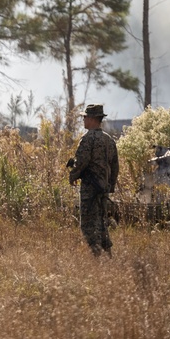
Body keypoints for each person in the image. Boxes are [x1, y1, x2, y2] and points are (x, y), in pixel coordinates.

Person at [68, 103, 120, 257]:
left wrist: (73, 175)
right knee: (102, 222)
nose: (83, 120)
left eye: (85, 117)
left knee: (88, 225)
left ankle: (96, 256)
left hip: (90, 189)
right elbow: (115, 165)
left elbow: (81, 162)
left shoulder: (87, 139)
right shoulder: (109, 140)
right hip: (103, 188)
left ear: (92, 119)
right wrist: (110, 185)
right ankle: (108, 254)